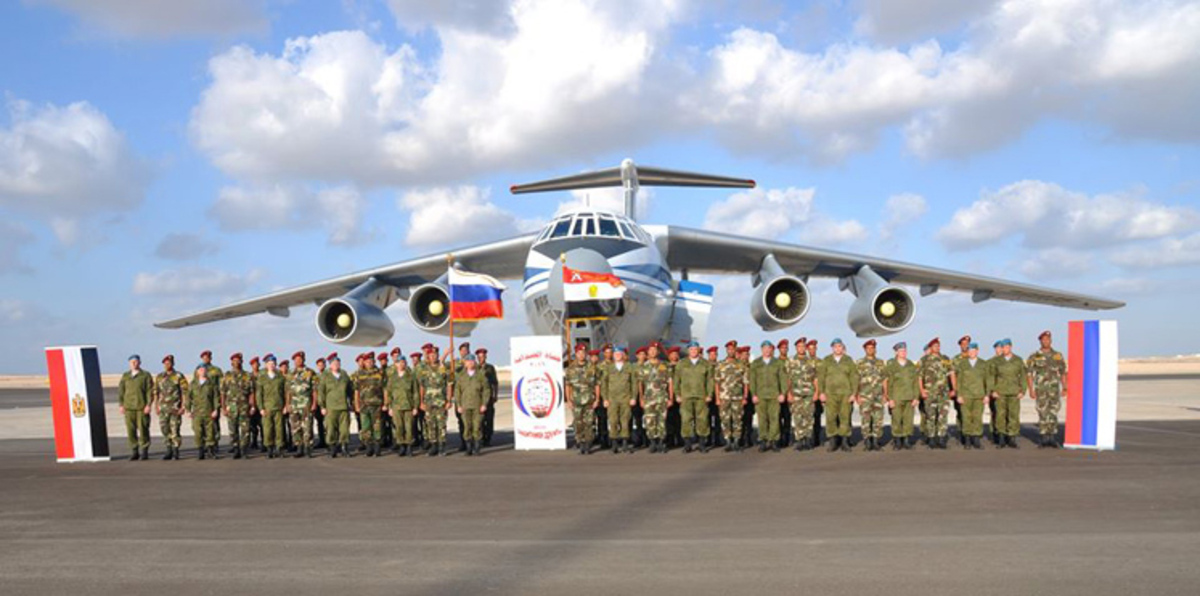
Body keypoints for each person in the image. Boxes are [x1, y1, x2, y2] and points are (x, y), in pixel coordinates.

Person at [1027, 330, 1067, 448]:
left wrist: (1065, 387)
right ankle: (1044, 438)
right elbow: (1029, 374)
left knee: (1053, 412)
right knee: (1042, 412)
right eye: (1043, 340)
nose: (1046, 341)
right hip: (1041, 389)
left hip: (1054, 389)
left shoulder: (1057, 356)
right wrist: (1031, 389)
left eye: (1048, 339)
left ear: (1051, 340)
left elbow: (1063, 372)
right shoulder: (1034, 356)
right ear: (1040, 341)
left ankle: (1052, 437)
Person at [819, 338, 859, 452]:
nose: (838, 348)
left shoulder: (848, 360)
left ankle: (844, 441)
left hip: (845, 394)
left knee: (845, 417)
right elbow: (821, 377)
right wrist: (821, 392)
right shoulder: (826, 360)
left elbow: (854, 377)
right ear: (832, 348)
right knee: (831, 418)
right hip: (830, 394)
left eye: (840, 346)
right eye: (835, 346)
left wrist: (854, 393)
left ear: (843, 348)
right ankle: (833, 441)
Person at [673, 341, 714, 453]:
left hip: (701, 396)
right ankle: (687, 445)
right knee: (686, 420)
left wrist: (709, 394)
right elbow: (676, 380)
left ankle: (702, 444)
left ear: (698, 350)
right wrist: (677, 394)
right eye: (691, 349)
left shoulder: (705, 364)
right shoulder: (681, 363)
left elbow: (710, 381)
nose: (693, 351)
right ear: (688, 351)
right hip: (686, 396)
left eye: (695, 349)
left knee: (702, 420)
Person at [749, 340, 787, 452]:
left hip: (774, 396)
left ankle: (774, 441)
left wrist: (782, 393)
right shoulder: (756, 364)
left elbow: (783, 379)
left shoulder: (778, 363)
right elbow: (752, 380)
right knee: (762, 419)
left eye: (768, 348)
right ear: (761, 350)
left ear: (772, 349)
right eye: (764, 348)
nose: (766, 350)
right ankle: (763, 441)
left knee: (775, 419)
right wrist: (754, 394)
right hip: (760, 396)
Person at [990, 339, 1027, 449]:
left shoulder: (1018, 360)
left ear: (1010, 347)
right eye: (1002, 347)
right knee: (1000, 415)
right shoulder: (997, 361)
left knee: (1013, 415)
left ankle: (1012, 438)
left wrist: (1023, 390)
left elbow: (1023, 376)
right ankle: (1001, 438)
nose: (1004, 349)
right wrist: (993, 390)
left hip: (1014, 392)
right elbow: (992, 377)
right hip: (1000, 392)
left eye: (1006, 347)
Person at [952, 342, 989, 450]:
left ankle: (976, 439)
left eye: (974, 350)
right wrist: (959, 395)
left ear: (977, 351)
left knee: (977, 418)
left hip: (979, 395)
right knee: (966, 418)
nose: (972, 353)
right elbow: (959, 381)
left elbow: (987, 380)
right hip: (966, 395)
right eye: (970, 351)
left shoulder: (983, 364)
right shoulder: (962, 364)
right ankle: (967, 439)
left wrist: (987, 395)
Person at [918, 338, 954, 449]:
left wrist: (954, 389)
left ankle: (941, 438)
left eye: (938, 345)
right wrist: (922, 390)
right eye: (934, 346)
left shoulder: (945, 359)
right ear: (930, 347)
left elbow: (951, 374)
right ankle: (932, 438)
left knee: (943, 416)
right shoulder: (924, 360)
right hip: (930, 393)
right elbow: (919, 377)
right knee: (931, 416)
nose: (937, 347)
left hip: (944, 392)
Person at [884, 342, 920, 449]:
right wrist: (889, 398)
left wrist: (916, 397)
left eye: (904, 350)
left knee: (908, 420)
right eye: (901, 351)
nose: (903, 352)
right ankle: (897, 441)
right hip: (896, 397)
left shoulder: (911, 365)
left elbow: (915, 382)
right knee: (896, 419)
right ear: (896, 352)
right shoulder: (891, 366)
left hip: (909, 397)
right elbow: (887, 383)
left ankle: (906, 440)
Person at [602, 347, 638, 454]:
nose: (617, 355)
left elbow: (634, 383)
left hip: (625, 398)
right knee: (613, 421)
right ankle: (614, 444)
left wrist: (633, 397)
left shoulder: (629, 367)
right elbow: (604, 384)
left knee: (625, 421)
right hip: (612, 399)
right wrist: (605, 399)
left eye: (619, 353)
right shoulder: (609, 368)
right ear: (613, 355)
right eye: (616, 353)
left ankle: (625, 444)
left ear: (623, 355)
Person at [117, 354, 153, 461]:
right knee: (130, 430)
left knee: (143, 429)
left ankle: (145, 451)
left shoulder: (145, 375)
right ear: (129, 363)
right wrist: (121, 405)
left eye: (136, 361)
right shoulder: (125, 376)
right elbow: (121, 391)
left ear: (139, 362)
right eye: (132, 362)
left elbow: (149, 391)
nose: (134, 363)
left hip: (141, 407)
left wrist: (148, 404)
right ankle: (134, 451)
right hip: (129, 408)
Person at [221, 353, 256, 459]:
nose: (236, 362)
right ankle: (236, 449)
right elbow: (223, 392)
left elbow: (251, 392)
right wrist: (223, 408)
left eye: (238, 360)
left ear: (242, 362)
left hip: (244, 406)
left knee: (245, 430)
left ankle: (244, 449)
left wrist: (252, 406)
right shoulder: (227, 376)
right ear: (231, 362)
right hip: (231, 407)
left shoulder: (247, 375)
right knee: (233, 429)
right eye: (234, 361)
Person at [419, 348, 453, 456]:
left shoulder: (444, 368)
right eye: (431, 355)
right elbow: (422, 386)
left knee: (441, 424)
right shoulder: (424, 369)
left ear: (438, 355)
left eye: (435, 354)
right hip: (428, 402)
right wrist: (421, 402)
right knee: (430, 424)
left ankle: (442, 446)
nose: (433, 357)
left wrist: (449, 400)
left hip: (441, 401)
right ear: (428, 356)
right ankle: (433, 445)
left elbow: (449, 385)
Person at [715, 341, 748, 452]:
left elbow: (746, 382)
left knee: (737, 419)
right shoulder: (720, 364)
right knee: (725, 419)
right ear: (726, 350)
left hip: (737, 397)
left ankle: (736, 442)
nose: (731, 351)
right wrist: (717, 398)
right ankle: (728, 441)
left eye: (733, 349)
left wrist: (745, 396)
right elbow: (717, 383)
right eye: (729, 349)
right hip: (724, 397)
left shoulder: (741, 364)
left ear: (735, 351)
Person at [565, 344, 599, 454]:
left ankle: (588, 444)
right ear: (576, 354)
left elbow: (597, 384)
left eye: (583, 353)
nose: (581, 355)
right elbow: (568, 385)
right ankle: (581, 443)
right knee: (578, 423)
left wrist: (597, 399)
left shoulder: (592, 367)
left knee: (589, 423)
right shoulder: (571, 368)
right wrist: (569, 400)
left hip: (589, 400)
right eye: (579, 353)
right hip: (576, 401)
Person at [153, 355, 187, 461]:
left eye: (169, 363)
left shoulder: (178, 376)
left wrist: (183, 406)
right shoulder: (159, 377)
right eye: (166, 363)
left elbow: (184, 392)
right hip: (163, 408)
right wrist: (156, 406)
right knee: (164, 429)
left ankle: (176, 450)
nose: (167, 365)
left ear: (173, 363)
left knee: (175, 430)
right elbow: (155, 393)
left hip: (175, 408)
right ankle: (168, 450)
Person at [454, 353, 490, 456]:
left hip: (477, 405)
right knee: (467, 427)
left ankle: (477, 447)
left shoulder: (480, 376)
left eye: (472, 361)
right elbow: (457, 391)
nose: (470, 363)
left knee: (477, 426)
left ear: (475, 362)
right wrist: (459, 405)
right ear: (465, 363)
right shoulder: (461, 376)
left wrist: (484, 404)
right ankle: (468, 447)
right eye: (468, 361)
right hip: (465, 406)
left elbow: (486, 390)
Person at [788, 338, 820, 451]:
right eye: (799, 346)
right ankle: (800, 440)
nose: (801, 348)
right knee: (798, 417)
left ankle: (807, 439)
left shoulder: (811, 361)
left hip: (809, 393)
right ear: (796, 348)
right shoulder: (791, 361)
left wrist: (816, 392)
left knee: (808, 417)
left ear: (805, 348)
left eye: (803, 346)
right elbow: (788, 379)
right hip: (796, 393)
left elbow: (816, 378)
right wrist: (789, 393)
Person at [386, 354, 420, 456]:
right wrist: (390, 407)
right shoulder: (392, 378)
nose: (401, 364)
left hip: (408, 406)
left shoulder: (411, 377)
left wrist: (415, 407)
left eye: (403, 362)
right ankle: (402, 446)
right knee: (399, 427)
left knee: (409, 427)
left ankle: (409, 446)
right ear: (396, 364)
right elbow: (389, 393)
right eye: (399, 362)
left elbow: (415, 392)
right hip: (396, 406)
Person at [353, 351, 386, 457]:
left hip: (376, 404)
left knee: (377, 426)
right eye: (367, 361)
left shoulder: (379, 373)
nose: (370, 363)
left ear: (374, 361)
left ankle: (377, 447)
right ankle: (369, 447)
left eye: (371, 361)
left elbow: (385, 389)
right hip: (364, 405)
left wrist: (385, 403)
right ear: (364, 362)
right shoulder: (359, 374)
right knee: (366, 427)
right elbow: (356, 391)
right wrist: (357, 405)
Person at [319, 354, 353, 457]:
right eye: (334, 363)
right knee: (331, 429)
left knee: (344, 429)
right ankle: (333, 448)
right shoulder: (325, 376)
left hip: (343, 406)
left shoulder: (344, 375)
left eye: (338, 363)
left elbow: (350, 390)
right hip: (331, 407)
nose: (336, 365)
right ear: (330, 365)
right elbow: (321, 392)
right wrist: (322, 406)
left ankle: (344, 447)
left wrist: (350, 402)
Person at [640, 342, 672, 454]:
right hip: (648, 398)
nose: (653, 352)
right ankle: (653, 442)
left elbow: (670, 382)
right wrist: (641, 398)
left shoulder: (664, 365)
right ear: (648, 352)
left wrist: (670, 398)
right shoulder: (643, 366)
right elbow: (640, 384)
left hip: (662, 397)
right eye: (651, 350)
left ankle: (661, 443)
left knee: (662, 420)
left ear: (658, 352)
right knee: (650, 420)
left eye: (655, 350)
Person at [285, 351, 318, 458]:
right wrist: (287, 404)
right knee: (295, 427)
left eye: (300, 359)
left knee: (307, 427)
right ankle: (299, 448)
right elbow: (288, 391)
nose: (298, 361)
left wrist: (314, 403)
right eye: (296, 359)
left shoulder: (310, 372)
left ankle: (308, 448)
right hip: (294, 404)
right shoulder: (290, 374)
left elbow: (314, 390)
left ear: (304, 360)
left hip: (306, 404)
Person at [856, 339, 887, 451]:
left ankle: (876, 441)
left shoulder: (881, 362)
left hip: (878, 395)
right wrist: (857, 395)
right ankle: (867, 441)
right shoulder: (860, 363)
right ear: (865, 349)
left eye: (872, 348)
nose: (871, 350)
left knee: (878, 419)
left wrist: (885, 394)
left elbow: (884, 379)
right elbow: (857, 380)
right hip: (865, 395)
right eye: (868, 348)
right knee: (866, 419)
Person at [186, 364, 220, 459]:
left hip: (209, 411)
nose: (202, 371)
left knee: (210, 432)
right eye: (200, 369)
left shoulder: (211, 383)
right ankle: (200, 451)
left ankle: (211, 451)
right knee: (198, 432)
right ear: (197, 372)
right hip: (197, 412)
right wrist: (188, 410)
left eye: (204, 369)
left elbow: (215, 397)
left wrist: (216, 409)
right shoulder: (193, 384)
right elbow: (188, 398)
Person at [256, 354, 286, 459]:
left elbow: (285, 392)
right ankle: (269, 448)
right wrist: (261, 408)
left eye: (273, 364)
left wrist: (285, 405)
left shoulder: (280, 377)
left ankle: (279, 448)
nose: (271, 365)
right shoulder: (262, 378)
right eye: (269, 364)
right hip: (267, 407)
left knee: (279, 429)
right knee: (268, 429)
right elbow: (259, 394)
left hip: (279, 406)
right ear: (266, 365)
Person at [196, 350, 224, 451]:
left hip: (213, 400)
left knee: (214, 423)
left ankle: (214, 444)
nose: (206, 359)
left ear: (210, 358)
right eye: (204, 357)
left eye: (207, 357)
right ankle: (204, 445)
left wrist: (220, 401)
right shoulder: (199, 369)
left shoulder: (216, 370)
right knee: (201, 425)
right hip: (202, 403)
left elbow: (221, 386)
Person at [952, 335, 971, 445]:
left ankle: (971, 434)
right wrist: (954, 389)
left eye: (967, 344)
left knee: (973, 414)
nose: (965, 346)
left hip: (973, 390)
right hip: (961, 391)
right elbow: (952, 375)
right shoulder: (956, 359)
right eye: (963, 344)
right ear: (960, 345)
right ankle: (962, 433)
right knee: (961, 413)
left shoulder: (973, 357)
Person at [478, 348, 500, 446]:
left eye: (482, 356)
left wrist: (495, 395)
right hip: (478, 398)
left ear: (485, 357)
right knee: (480, 420)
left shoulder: (490, 368)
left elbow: (495, 383)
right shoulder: (476, 368)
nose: (481, 358)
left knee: (489, 419)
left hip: (489, 398)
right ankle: (481, 437)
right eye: (479, 357)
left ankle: (488, 438)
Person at [806, 339, 824, 445]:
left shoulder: (821, 362)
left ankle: (816, 438)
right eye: (810, 349)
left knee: (817, 416)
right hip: (807, 393)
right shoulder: (805, 362)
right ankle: (808, 438)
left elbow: (823, 378)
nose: (812, 351)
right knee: (807, 417)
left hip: (817, 394)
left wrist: (821, 393)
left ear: (816, 349)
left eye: (814, 348)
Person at [705, 346, 722, 448]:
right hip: (707, 396)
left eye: (715, 354)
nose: (713, 356)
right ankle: (708, 439)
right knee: (706, 418)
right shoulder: (704, 366)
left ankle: (717, 439)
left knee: (718, 419)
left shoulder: (720, 366)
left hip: (718, 396)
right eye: (711, 354)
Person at [248, 356, 264, 451]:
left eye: (257, 364)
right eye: (254, 364)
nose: (255, 366)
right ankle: (254, 442)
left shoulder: (262, 375)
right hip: (252, 404)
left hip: (261, 403)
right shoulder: (249, 376)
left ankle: (264, 443)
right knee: (252, 425)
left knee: (262, 425)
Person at [312, 356, 328, 449]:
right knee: (320, 423)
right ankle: (322, 441)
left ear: (325, 365)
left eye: (322, 364)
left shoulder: (328, 375)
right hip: (318, 402)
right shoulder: (316, 377)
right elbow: (314, 390)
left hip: (327, 403)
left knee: (328, 423)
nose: (320, 366)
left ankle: (329, 441)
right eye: (319, 365)